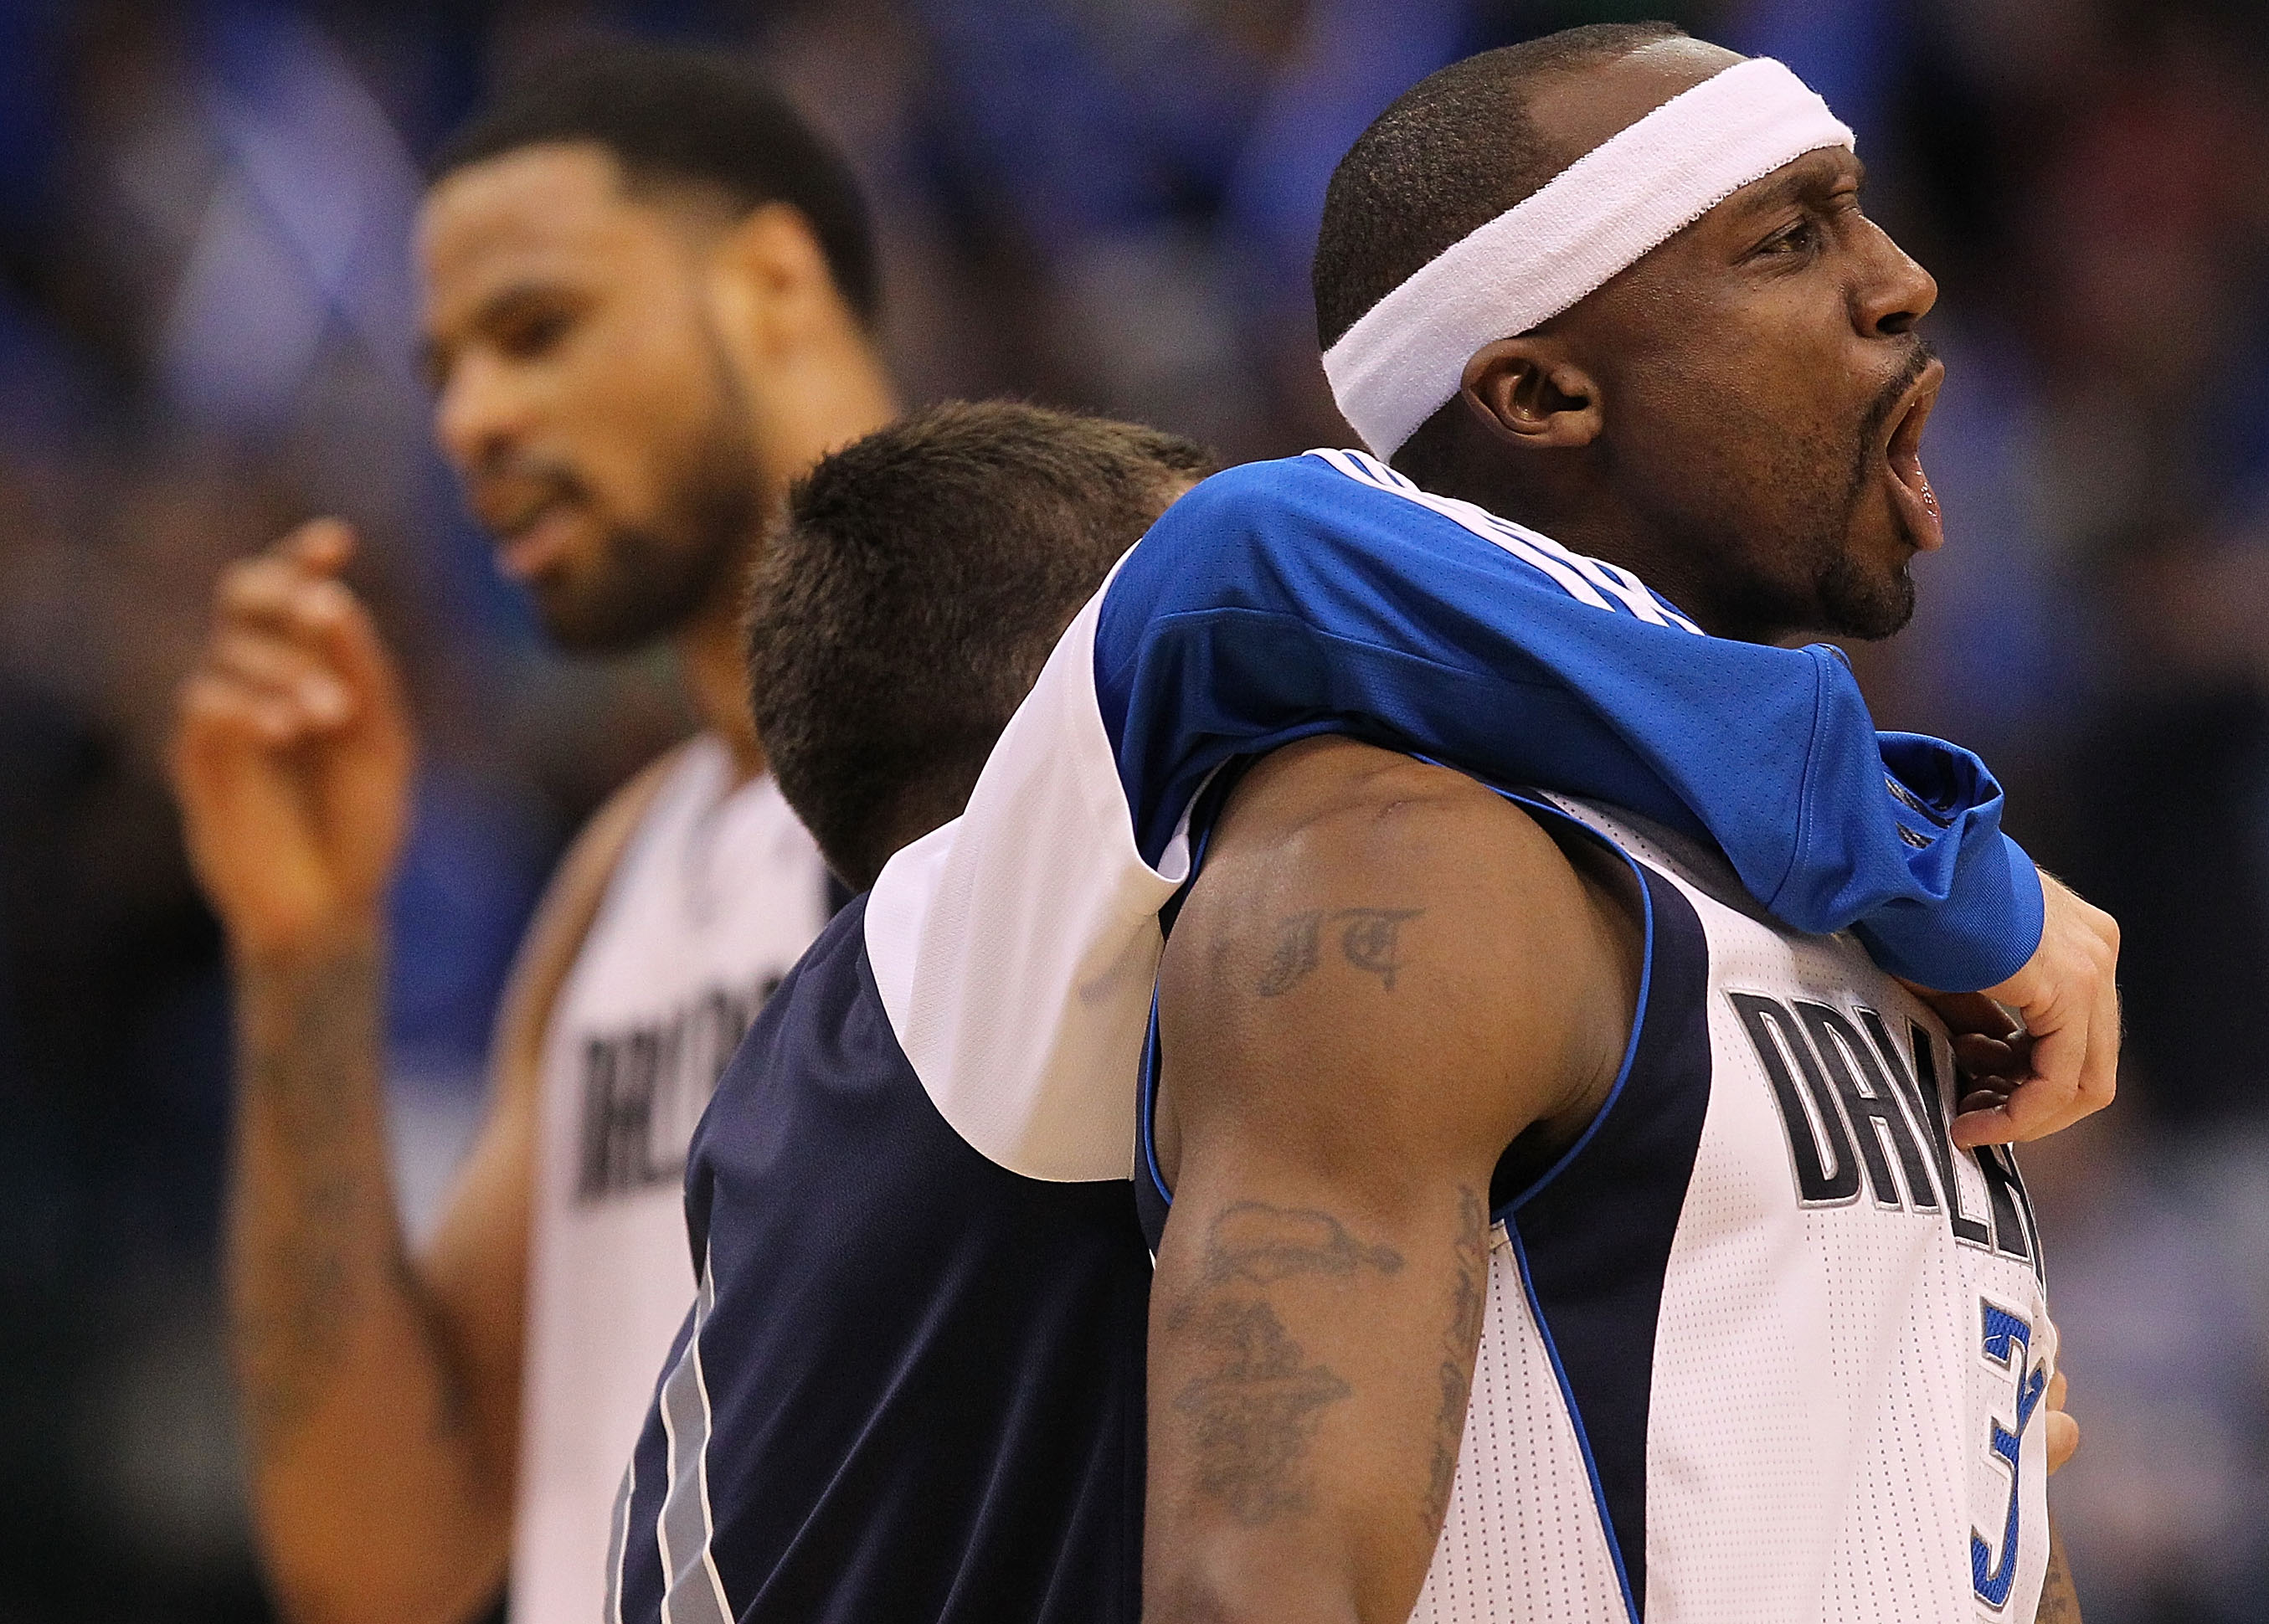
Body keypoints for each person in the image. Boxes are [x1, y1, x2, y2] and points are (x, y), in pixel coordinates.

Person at [1128, 28, 2095, 1621]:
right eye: (1789, 240)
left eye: (1862, 213)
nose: (1903, 281)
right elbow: (1256, 1591)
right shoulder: (1401, 862)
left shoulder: (1872, 923)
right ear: (1542, 391)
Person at [165, 46, 895, 1624]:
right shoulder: (624, 877)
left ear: (773, 283)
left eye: (538, 329)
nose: (472, 418)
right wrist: (307, 952)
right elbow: (384, 1560)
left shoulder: (1069, 731)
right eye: (443, 372)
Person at [610, 399, 1218, 1623]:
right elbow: (1285, 546)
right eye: (1194, 644)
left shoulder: (833, 1075)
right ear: (1077, 724)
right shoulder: (970, 958)